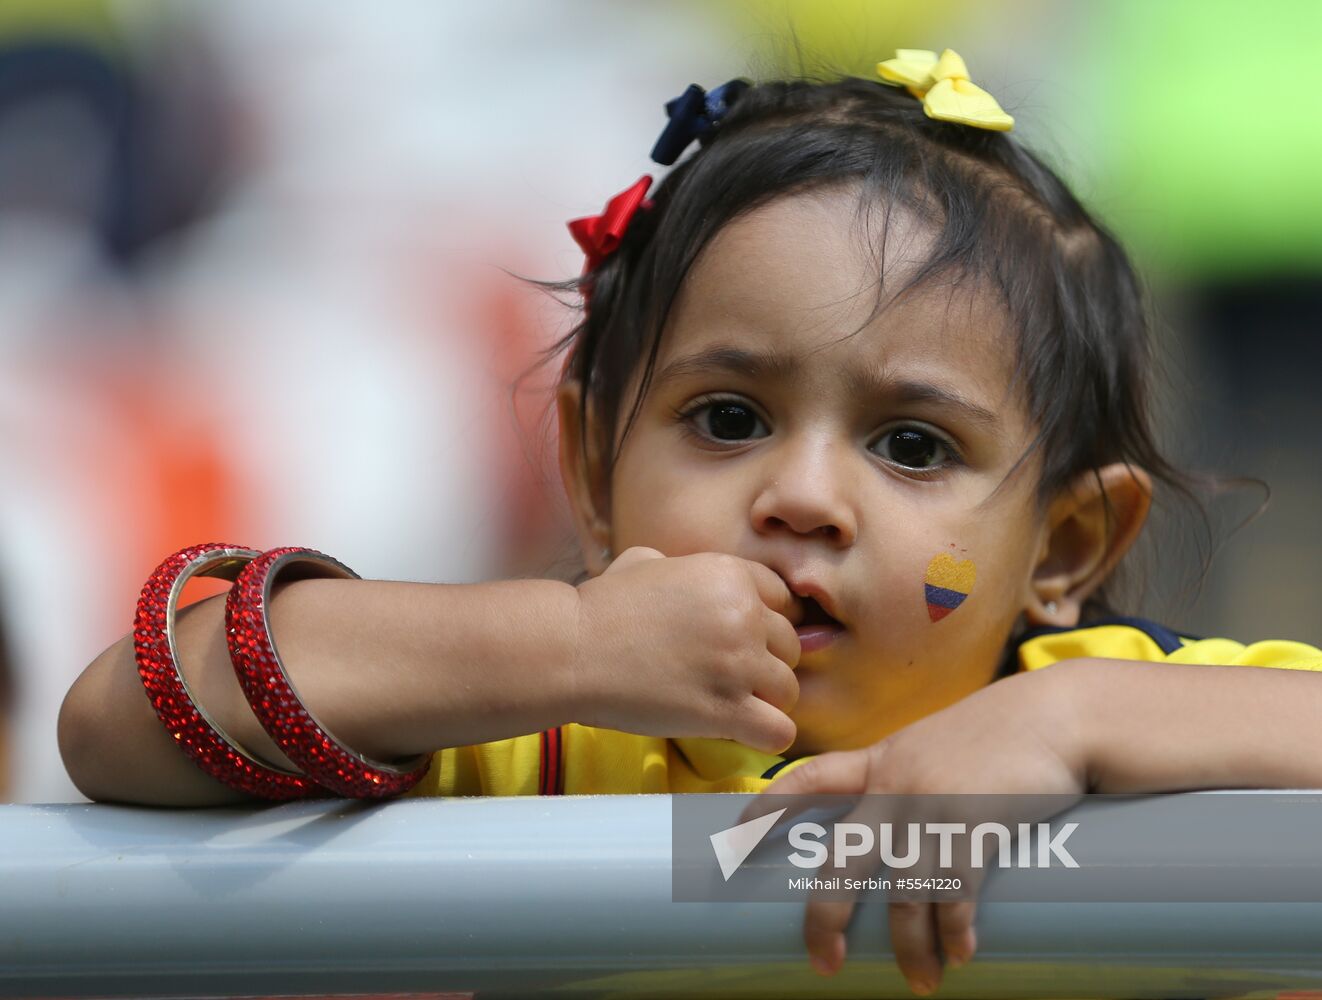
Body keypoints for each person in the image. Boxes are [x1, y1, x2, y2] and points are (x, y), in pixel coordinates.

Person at [58, 51, 1322, 997]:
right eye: (726, 419)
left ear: (1060, 550)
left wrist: (1073, 727)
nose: (804, 496)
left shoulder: (1107, 709)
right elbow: (120, 720)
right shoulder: (544, 740)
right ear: (593, 467)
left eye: (910, 445)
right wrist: (558, 646)